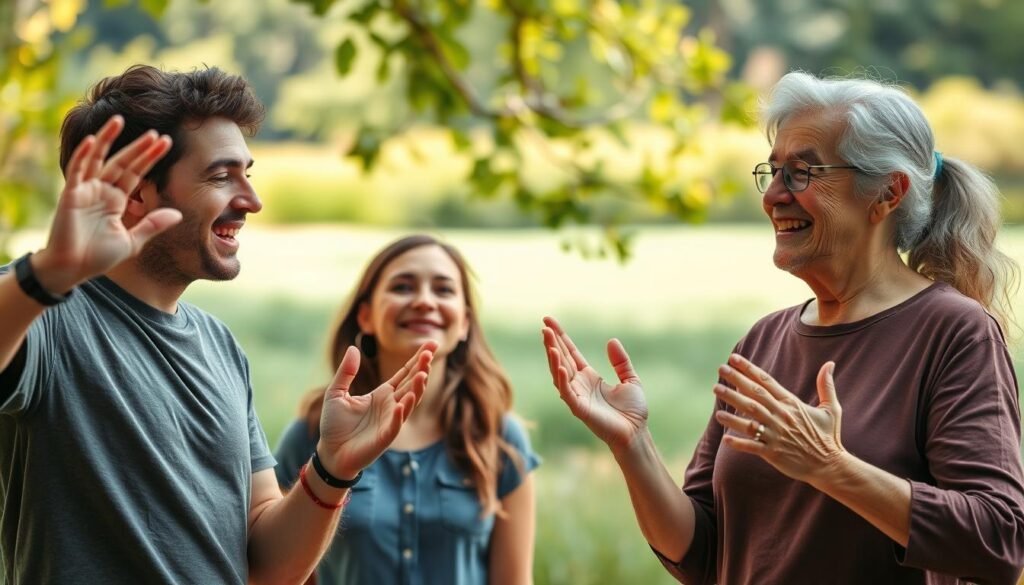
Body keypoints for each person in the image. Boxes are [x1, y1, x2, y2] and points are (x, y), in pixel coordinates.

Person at [542, 71, 1024, 584]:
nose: (773, 195)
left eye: (802, 172)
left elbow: (997, 540)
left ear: (886, 193)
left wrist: (830, 466)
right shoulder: (762, 341)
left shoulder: (953, 331)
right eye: (772, 172)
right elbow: (706, 554)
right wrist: (632, 445)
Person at [0, 65, 437, 585]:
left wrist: (332, 468)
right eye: (221, 175)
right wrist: (49, 271)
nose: (251, 201)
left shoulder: (219, 345)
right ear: (138, 194)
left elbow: (269, 568)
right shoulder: (44, 311)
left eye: (247, 174)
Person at [275, 234, 539, 585]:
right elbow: (280, 572)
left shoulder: (501, 436)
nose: (424, 301)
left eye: (443, 290)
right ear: (366, 316)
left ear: (463, 323)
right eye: (402, 287)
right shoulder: (314, 435)